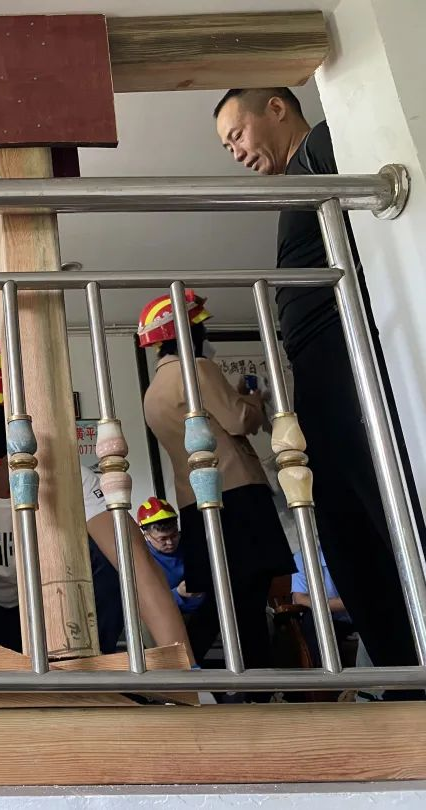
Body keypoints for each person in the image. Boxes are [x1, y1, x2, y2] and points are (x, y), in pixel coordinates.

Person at [213, 87, 422, 677]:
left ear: (276, 109)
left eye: (236, 134)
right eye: (227, 146)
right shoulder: (298, 183)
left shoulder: (325, 143)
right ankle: (405, 673)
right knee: (341, 522)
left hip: (347, 354)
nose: (235, 152)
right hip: (318, 367)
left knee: (379, 500)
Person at [0, 339, 194, 705]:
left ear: (5, 428)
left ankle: (85, 679)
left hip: (49, 624)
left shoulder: (68, 477)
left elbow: (136, 565)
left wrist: (188, 677)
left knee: (109, 551)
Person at [140, 291, 293, 675]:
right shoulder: (196, 369)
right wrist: (253, 399)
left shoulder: (152, 392)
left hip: (196, 501)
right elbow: (238, 421)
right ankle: (256, 683)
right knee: (248, 594)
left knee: (225, 597)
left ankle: (189, 674)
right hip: (236, 492)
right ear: (189, 335)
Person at [137, 497, 205, 616]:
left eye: (174, 535)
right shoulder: (142, 558)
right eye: (162, 539)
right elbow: (144, 603)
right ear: (146, 535)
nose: (170, 543)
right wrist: (178, 593)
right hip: (168, 616)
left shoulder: (189, 543)